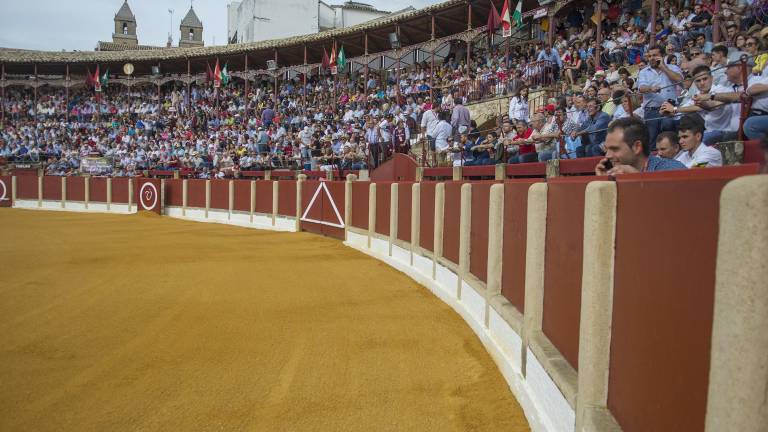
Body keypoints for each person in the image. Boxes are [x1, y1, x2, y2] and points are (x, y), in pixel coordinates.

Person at [595, 116, 686, 175]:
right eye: (607, 149)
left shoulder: (671, 170)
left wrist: (639, 180)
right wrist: (605, 184)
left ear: (637, 147)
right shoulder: (614, 173)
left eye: (615, 149)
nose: (608, 155)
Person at [637, 45, 683, 147]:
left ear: (662, 56)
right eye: (649, 56)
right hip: (651, 110)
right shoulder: (644, 71)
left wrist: (663, 67)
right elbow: (641, 88)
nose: (651, 58)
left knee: (670, 138)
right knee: (652, 142)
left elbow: (681, 81)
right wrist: (651, 88)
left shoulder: (673, 68)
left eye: (655, 55)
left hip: (670, 108)